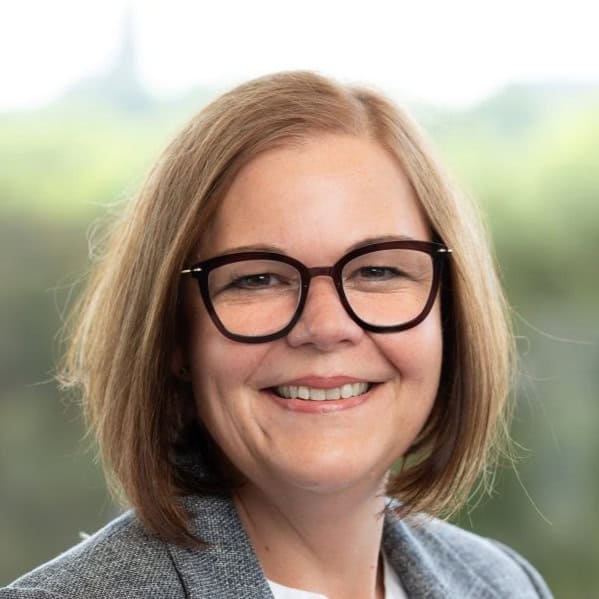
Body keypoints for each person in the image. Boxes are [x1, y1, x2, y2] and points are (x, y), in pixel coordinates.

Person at [1, 71, 552, 598]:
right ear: (174, 335)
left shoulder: (507, 585)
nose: (326, 328)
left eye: (378, 271)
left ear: (450, 313)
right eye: (258, 279)